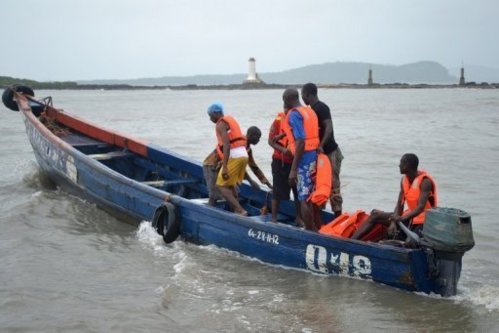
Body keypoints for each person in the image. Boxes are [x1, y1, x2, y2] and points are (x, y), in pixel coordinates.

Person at [351, 153, 438, 240]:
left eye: (401, 163)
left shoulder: (425, 182)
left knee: (411, 241)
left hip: (424, 221)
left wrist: (400, 219)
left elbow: (420, 208)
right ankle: (351, 241)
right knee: (375, 215)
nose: (399, 165)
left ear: (407, 165)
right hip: (408, 217)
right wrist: (393, 221)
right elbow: (399, 205)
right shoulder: (404, 180)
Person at [301, 83, 344, 217]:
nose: (302, 98)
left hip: (330, 152)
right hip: (319, 156)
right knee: (319, 185)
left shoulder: (322, 107)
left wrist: (321, 145)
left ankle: (338, 216)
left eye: (303, 95)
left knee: (333, 184)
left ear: (308, 94)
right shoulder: (310, 111)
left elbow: (329, 127)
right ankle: (320, 217)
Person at [281, 88, 321, 231]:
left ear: (286, 100)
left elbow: (301, 141)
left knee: (303, 197)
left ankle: (310, 232)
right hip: (314, 158)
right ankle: (317, 227)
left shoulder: (294, 115)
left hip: (304, 160)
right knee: (312, 196)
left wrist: (293, 170)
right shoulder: (309, 111)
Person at [207, 102, 249, 216]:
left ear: (216, 113)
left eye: (210, 115)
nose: (210, 118)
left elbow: (226, 144)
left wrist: (224, 166)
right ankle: (235, 209)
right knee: (230, 184)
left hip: (235, 156)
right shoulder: (230, 120)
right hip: (243, 155)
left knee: (221, 185)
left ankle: (240, 210)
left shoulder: (221, 124)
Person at [268, 110, 303, 225]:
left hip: (296, 161)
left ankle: (299, 218)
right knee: (277, 190)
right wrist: (284, 150)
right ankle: (274, 218)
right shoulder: (278, 120)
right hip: (280, 160)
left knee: (298, 191)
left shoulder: (299, 119)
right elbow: (271, 141)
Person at [245, 126, 273, 190]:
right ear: (251, 135)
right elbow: (240, 167)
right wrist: (251, 181)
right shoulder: (241, 146)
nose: (259, 140)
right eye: (258, 137)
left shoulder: (248, 149)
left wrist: (268, 184)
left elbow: (254, 167)